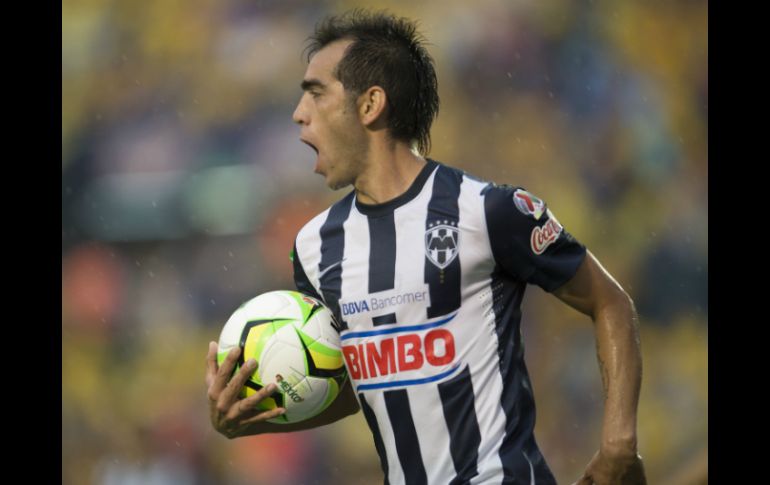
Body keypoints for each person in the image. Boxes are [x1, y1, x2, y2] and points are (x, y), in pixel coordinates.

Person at [205, 9, 646, 485]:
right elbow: (358, 386)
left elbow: (610, 302)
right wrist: (256, 414)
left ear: (370, 104)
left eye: (315, 93)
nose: (299, 113)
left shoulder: (487, 210)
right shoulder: (314, 249)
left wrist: (618, 443)